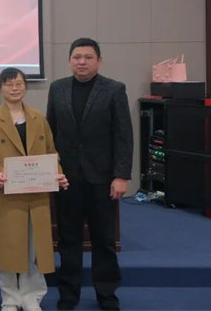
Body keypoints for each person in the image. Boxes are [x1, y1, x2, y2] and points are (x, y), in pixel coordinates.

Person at [46, 38, 133, 311]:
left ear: (99, 61)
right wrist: (51, 170)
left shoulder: (114, 89)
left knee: (104, 240)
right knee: (68, 239)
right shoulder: (57, 88)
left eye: (88, 57)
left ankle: (107, 295)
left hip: (102, 178)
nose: (82, 62)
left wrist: (121, 175)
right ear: (69, 60)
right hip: (67, 179)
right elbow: (50, 133)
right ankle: (68, 295)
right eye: (77, 57)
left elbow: (123, 135)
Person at [0, 68, 69, 311]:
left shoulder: (38, 118)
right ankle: (9, 297)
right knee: (6, 247)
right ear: (0, 88)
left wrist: (57, 174)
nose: (14, 88)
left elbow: (51, 152)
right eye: (9, 84)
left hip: (36, 194)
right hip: (5, 192)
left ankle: (32, 296)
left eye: (18, 83)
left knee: (34, 247)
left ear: (25, 86)